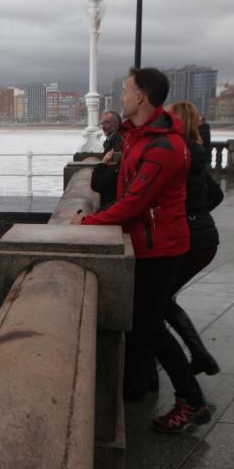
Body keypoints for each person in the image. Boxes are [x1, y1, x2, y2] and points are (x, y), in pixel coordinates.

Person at [72, 68, 212, 434]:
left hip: (160, 248)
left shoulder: (164, 147)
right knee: (147, 325)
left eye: (127, 90)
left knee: (151, 327)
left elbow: (134, 201)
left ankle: (192, 400)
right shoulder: (139, 138)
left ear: (143, 96)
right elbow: (123, 187)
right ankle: (167, 389)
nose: (122, 96)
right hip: (148, 243)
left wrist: (88, 224)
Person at [165, 101, 223, 376]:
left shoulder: (181, 155)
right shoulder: (195, 154)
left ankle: (200, 357)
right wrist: (198, 215)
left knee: (159, 300)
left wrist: (186, 217)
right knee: (163, 297)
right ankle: (200, 356)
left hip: (193, 241)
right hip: (204, 238)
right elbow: (216, 195)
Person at [91, 111, 123, 208]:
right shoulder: (111, 140)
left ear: (116, 123)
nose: (103, 126)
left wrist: (103, 163)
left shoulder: (119, 143)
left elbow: (97, 184)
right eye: (102, 123)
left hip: (113, 201)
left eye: (107, 122)